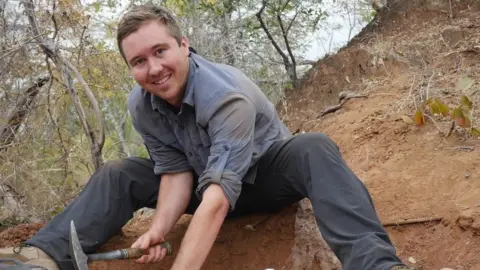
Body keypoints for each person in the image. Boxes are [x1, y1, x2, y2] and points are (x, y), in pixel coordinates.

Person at [0, 4, 410, 270]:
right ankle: (41, 256)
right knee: (119, 172)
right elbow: (176, 171)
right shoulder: (142, 104)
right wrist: (159, 227)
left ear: (184, 45)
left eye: (161, 51)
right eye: (139, 61)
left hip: (259, 182)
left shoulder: (227, 97)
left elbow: (216, 200)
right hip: (202, 181)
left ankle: (376, 264)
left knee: (313, 147)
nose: (154, 68)